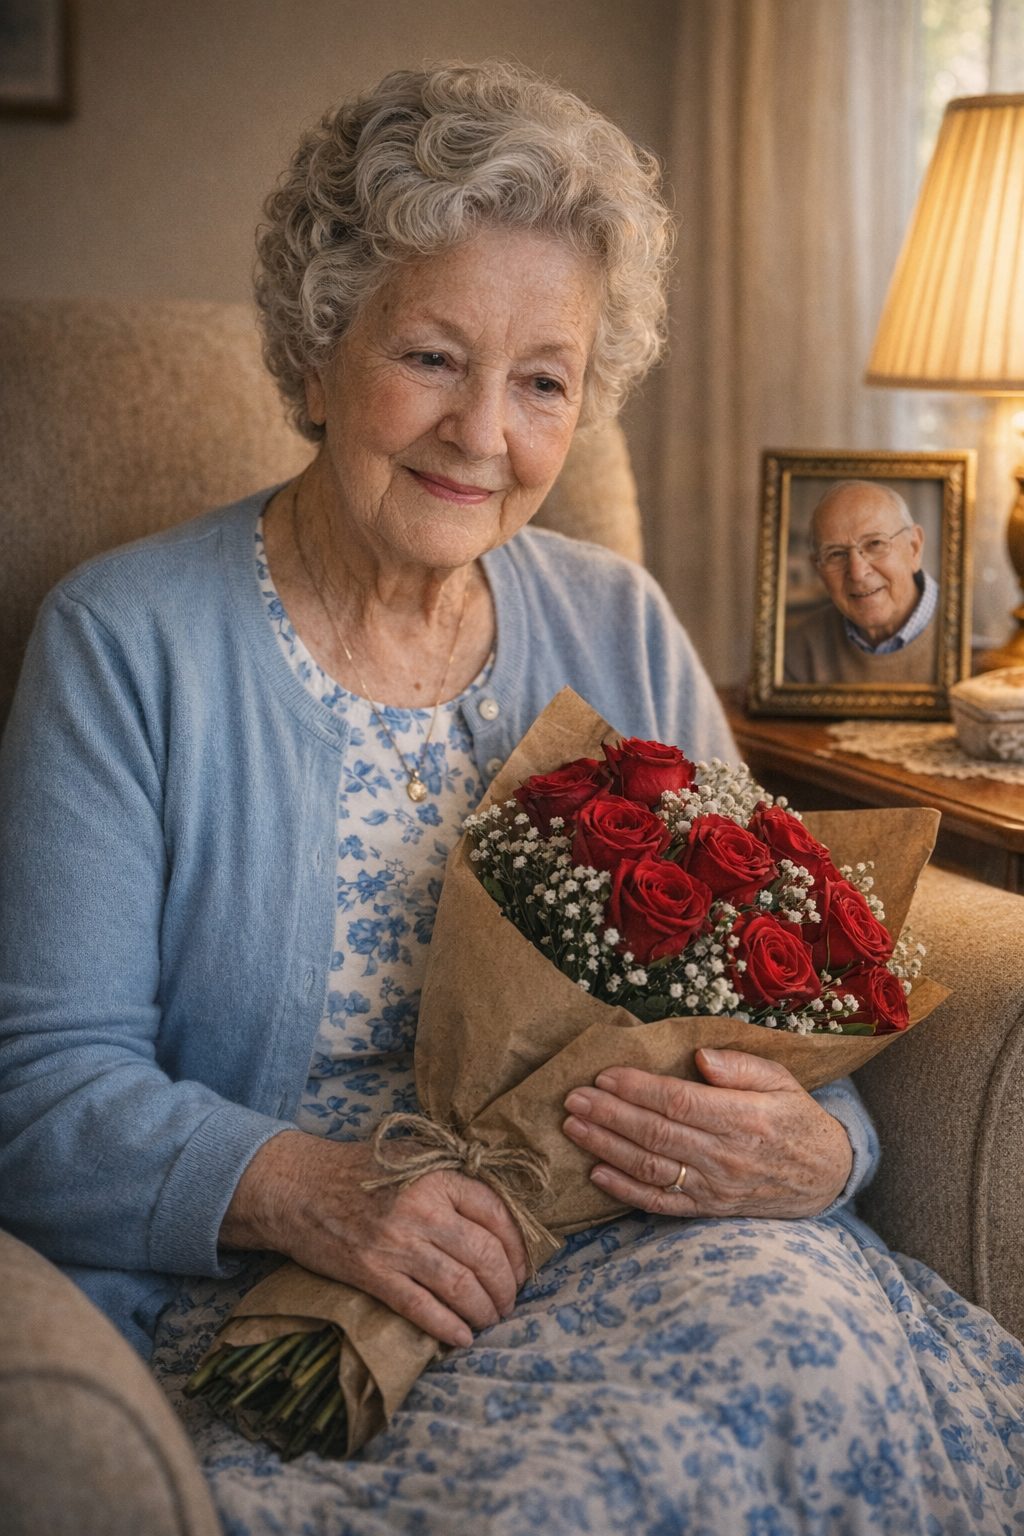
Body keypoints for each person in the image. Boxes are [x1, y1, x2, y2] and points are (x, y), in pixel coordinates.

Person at [0, 62, 1021, 1536]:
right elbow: (38, 1089)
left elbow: (773, 988)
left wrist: (827, 1146)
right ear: (314, 356)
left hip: (638, 1229)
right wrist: (310, 1189)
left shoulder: (615, 619)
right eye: (430, 356)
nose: (484, 433)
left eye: (542, 379)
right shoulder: (127, 642)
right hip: (306, 1270)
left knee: (810, 1359)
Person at [784, 480, 940, 685]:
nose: (857, 573)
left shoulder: (971, 634)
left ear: (914, 547)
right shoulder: (800, 647)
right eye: (836, 554)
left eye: (875, 544)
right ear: (818, 569)